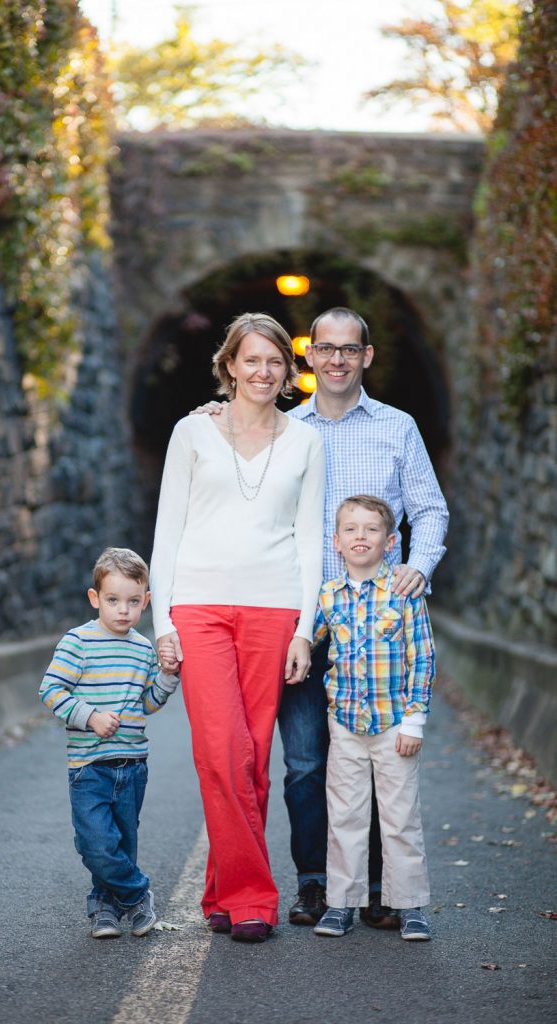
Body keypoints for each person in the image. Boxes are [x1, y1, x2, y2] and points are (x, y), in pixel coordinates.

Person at [194, 306, 448, 928]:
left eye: (349, 349)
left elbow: (430, 508)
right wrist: (215, 415)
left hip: (379, 623)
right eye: (325, 348)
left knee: (379, 757)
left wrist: (420, 565)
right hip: (301, 617)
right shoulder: (279, 428)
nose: (336, 359)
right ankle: (316, 882)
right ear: (308, 357)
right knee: (307, 762)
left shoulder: (397, 427)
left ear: (367, 357)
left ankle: (381, 888)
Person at [150, 312, 325, 943]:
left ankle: (223, 892)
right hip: (198, 606)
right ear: (229, 366)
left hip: (273, 607)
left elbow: (310, 539)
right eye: (251, 360)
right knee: (219, 751)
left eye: (275, 361)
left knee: (251, 761)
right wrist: (162, 621)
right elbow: (167, 529)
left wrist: (305, 628)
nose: (263, 371)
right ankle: (255, 897)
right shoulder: (192, 432)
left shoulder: (306, 441)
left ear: (288, 370)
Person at [38, 547, 180, 939]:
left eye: (134, 602)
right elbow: (50, 690)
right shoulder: (78, 642)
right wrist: (90, 716)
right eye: (113, 600)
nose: (123, 610)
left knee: (121, 841)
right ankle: (137, 895)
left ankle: (105, 908)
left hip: (132, 765)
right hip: (89, 766)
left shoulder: (141, 647)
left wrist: (168, 676)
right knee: (95, 842)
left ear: (146, 602)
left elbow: (148, 702)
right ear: (95, 598)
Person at [312, 495, 434, 941]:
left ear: (389, 541)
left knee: (400, 818)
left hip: (393, 725)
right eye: (351, 529)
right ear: (336, 542)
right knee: (345, 815)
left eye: (371, 529)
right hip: (344, 723)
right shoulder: (328, 595)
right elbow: (305, 642)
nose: (360, 536)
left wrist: (414, 720)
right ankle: (342, 902)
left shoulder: (404, 593)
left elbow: (422, 657)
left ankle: (410, 906)